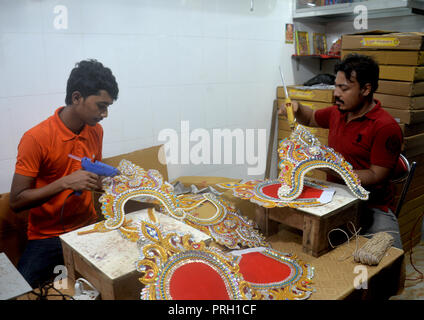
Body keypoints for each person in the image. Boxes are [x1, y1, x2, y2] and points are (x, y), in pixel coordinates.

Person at [9, 59, 119, 288]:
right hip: (46, 236)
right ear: (77, 97)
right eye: (101, 105)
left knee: (115, 283)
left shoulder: (96, 130)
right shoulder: (36, 138)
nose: (105, 114)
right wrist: (64, 183)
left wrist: (106, 183)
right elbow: (16, 201)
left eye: (108, 106)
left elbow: (92, 176)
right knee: (16, 291)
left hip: (88, 227)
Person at [279, 53, 404, 249]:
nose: (336, 93)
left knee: (389, 256)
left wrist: (333, 169)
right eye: (335, 86)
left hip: (370, 206)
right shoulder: (337, 113)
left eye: (343, 88)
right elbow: (311, 117)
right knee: (295, 239)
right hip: (334, 196)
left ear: (366, 89)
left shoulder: (385, 126)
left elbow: (376, 175)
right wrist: (296, 108)